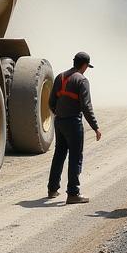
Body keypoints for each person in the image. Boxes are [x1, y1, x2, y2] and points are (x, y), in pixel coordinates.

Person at [47, 51, 102, 204]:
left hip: (59, 121)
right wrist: (95, 127)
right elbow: (86, 106)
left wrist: (58, 113)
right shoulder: (82, 80)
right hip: (73, 122)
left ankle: (52, 189)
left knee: (59, 154)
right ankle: (73, 193)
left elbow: (51, 101)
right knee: (75, 156)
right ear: (84, 65)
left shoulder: (60, 76)